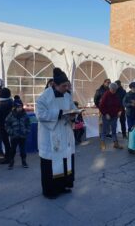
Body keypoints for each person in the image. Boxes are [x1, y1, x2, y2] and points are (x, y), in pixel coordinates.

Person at [36, 68, 77, 199]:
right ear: (55, 85)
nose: (67, 88)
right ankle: (50, 191)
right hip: (50, 135)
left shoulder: (67, 95)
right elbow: (40, 115)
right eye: (64, 86)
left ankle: (63, 186)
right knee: (51, 164)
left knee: (65, 160)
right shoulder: (43, 98)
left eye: (67, 85)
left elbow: (73, 108)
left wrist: (74, 114)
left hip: (65, 133)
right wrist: (59, 114)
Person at [5, 95, 31, 170]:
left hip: (23, 136)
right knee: (13, 149)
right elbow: (7, 124)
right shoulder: (10, 115)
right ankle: (11, 161)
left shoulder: (25, 115)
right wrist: (11, 132)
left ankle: (24, 161)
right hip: (14, 136)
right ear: (15, 107)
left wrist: (27, 131)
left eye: (21, 106)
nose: (20, 108)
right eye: (18, 107)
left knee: (23, 149)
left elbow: (28, 124)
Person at [99, 83, 123, 151]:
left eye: (115, 90)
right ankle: (102, 143)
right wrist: (106, 113)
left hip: (114, 116)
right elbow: (101, 106)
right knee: (104, 130)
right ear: (110, 89)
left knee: (114, 130)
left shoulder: (116, 95)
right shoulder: (106, 95)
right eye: (113, 90)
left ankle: (115, 143)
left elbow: (120, 104)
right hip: (106, 116)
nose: (114, 91)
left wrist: (120, 111)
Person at [0, 87, 13, 163]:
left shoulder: (1, 105)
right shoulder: (11, 102)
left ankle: (8, 158)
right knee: (11, 141)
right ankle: (11, 156)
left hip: (3, 126)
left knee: (6, 142)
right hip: (11, 125)